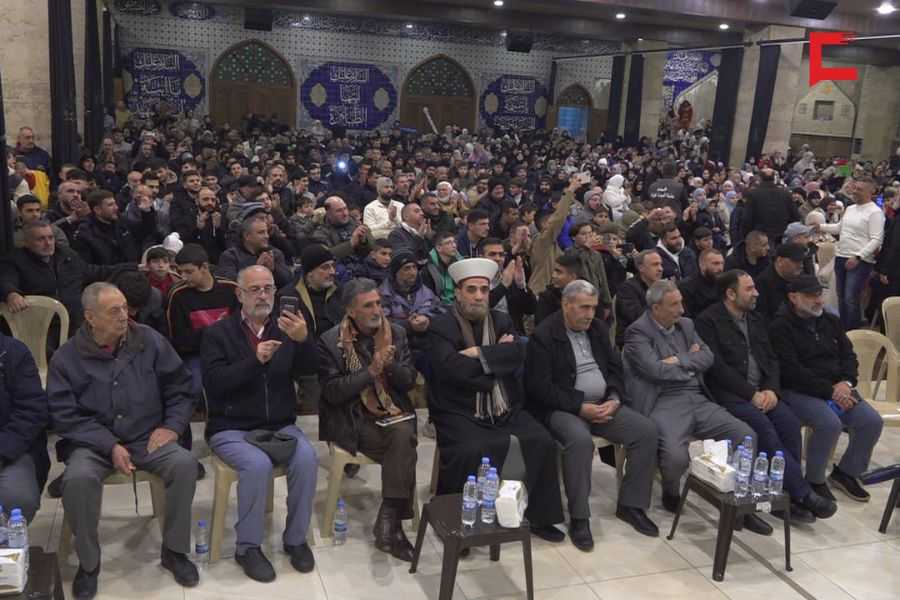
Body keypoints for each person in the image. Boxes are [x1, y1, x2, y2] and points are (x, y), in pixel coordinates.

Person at [48, 283, 199, 599]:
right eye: (113, 311)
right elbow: (64, 415)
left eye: (125, 307)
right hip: (93, 443)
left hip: (147, 435)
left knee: (184, 464)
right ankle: (89, 563)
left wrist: (172, 427)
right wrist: (109, 445)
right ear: (90, 317)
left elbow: (181, 388)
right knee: (77, 479)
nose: (124, 316)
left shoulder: (149, 340)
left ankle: (174, 551)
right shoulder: (66, 357)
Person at [427, 258, 566, 543]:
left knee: (541, 440)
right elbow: (450, 370)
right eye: (471, 290)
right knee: (470, 449)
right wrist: (494, 364)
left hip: (504, 407)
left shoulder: (502, 320)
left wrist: (478, 353)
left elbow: (517, 355)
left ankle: (540, 517)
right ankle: (455, 521)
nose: (479, 296)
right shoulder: (441, 326)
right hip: (458, 409)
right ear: (458, 292)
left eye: (484, 290)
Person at [201, 266, 319, 581]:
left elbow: (311, 371)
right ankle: (248, 547)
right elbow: (214, 385)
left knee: (307, 459)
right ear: (239, 294)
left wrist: (304, 340)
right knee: (256, 465)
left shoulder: (286, 328)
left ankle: (295, 540)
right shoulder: (218, 333)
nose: (263, 295)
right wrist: (254, 361)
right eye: (255, 289)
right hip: (231, 427)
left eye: (268, 288)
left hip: (279, 425)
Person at [622, 280, 766, 533]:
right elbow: (655, 371)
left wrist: (678, 360)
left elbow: (708, 357)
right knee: (675, 457)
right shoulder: (637, 332)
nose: (681, 309)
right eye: (674, 305)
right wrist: (690, 363)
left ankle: (741, 504)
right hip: (663, 401)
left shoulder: (686, 325)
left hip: (697, 397)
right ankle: (670, 491)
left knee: (745, 435)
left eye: (681, 302)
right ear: (656, 308)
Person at [526, 280, 660, 548]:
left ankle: (631, 505)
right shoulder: (544, 335)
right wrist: (580, 407)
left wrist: (614, 397)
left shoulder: (597, 328)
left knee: (646, 431)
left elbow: (615, 368)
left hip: (603, 403)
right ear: (566, 304)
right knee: (580, 442)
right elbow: (540, 388)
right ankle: (579, 517)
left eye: (593, 307)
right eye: (584, 307)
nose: (590, 314)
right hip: (563, 408)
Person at [695, 271, 837, 522]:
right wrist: (751, 394)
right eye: (749, 289)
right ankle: (802, 493)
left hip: (763, 391)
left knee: (790, 424)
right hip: (729, 393)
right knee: (764, 430)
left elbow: (771, 359)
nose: (756, 293)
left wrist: (771, 389)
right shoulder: (708, 321)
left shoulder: (756, 318)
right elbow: (717, 368)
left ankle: (783, 493)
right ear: (731, 294)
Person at [317, 278, 419, 560]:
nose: (377, 311)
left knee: (402, 436)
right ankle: (393, 527)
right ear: (351, 311)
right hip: (350, 418)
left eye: (379, 303)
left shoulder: (396, 333)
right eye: (368, 306)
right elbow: (332, 393)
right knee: (404, 444)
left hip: (391, 412)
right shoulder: (330, 341)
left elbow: (409, 381)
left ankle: (388, 520)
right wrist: (371, 371)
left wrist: (390, 364)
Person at [769, 275, 884, 503]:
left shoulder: (830, 321)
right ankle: (814, 480)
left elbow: (848, 356)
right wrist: (831, 392)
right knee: (828, 423)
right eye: (811, 296)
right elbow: (792, 372)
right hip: (798, 390)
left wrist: (847, 383)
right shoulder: (780, 327)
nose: (819, 300)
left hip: (837, 387)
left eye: (819, 294)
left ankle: (847, 472)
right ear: (793, 297)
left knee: (871, 421)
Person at [0, 221, 115, 333]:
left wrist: (124, 267)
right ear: (27, 243)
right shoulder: (15, 261)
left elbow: (91, 271)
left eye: (51, 238)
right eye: (40, 239)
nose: (48, 243)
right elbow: (6, 281)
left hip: (77, 324)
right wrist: (12, 294)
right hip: (42, 329)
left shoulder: (67, 255)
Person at [167, 244, 240, 394]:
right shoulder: (178, 296)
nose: (183, 277)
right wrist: (213, 331)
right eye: (180, 272)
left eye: (189, 272)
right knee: (196, 388)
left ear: (204, 267)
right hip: (197, 354)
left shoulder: (230, 289)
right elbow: (179, 340)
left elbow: (242, 326)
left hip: (230, 350)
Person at [817, 176, 885, 331]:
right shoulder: (850, 208)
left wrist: (858, 256)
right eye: (854, 188)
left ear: (870, 192)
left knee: (850, 298)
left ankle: (851, 332)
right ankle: (842, 329)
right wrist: (820, 226)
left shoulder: (875, 212)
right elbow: (839, 228)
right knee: (841, 296)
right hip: (841, 256)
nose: (854, 191)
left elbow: (876, 239)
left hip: (859, 261)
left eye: (859, 189)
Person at [0, 333, 49, 523]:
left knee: (18, 500)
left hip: (10, 451)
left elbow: (32, 411)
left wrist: (3, 452)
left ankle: (9, 540)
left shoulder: (13, 352)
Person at [529, 174, 582, 295]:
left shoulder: (552, 242)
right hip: (539, 293)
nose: (559, 224)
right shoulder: (541, 240)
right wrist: (570, 190)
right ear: (544, 223)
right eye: (551, 219)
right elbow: (558, 219)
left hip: (551, 292)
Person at [73, 189, 149, 265]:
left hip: (132, 269)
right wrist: (125, 268)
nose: (116, 208)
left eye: (115, 203)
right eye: (110, 205)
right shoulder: (86, 233)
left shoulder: (121, 221)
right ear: (97, 210)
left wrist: (146, 212)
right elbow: (89, 267)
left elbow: (143, 232)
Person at [218, 214, 292, 288]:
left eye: (267, 232)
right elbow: (229, 284)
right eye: (261, 232)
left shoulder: (275, 253)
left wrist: (274, 269)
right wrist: (256, 268)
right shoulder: (230, 256)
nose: (267, 236)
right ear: (247, 236)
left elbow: (288, 282)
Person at [614, 249, 663, 347]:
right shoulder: (627, 289)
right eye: (655, 265)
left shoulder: (662, 287)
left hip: (660, 337)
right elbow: (637, 318)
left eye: (661, 264)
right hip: (634, 340)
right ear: (641, 268)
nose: (660, 269)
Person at [740, 168, 800, 247]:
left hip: (760, 237)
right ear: (774, 178)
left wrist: (746, 236)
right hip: (782, 236)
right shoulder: (785, 193)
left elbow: (747, 219)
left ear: (760, 178)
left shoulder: (753, 194)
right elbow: (795, 216)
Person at [754, 242, 806, 322]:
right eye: (796, 261)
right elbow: (761, 317)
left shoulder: (800, 277)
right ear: (780, 261)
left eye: (802, 261)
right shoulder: (763, 283)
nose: (801, 265)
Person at [535, 254, 582, 326]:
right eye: (554, 271)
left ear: (573, 277)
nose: (553, 275)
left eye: (559, 272)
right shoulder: (546, 298)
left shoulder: (590, 297)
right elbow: (541, 327)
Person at [678, 248, 724, 318]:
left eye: (722, 263)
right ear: (702, 265)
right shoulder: (686, 287)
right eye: (715, 263)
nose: (720, 268)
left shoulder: (724, 283)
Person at [422, 230, 462, 305]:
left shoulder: (460, 263)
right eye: (448, 243)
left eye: (454, 242)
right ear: (439, 248)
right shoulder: (428, 269)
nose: (454, 245)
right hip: (437, 306)